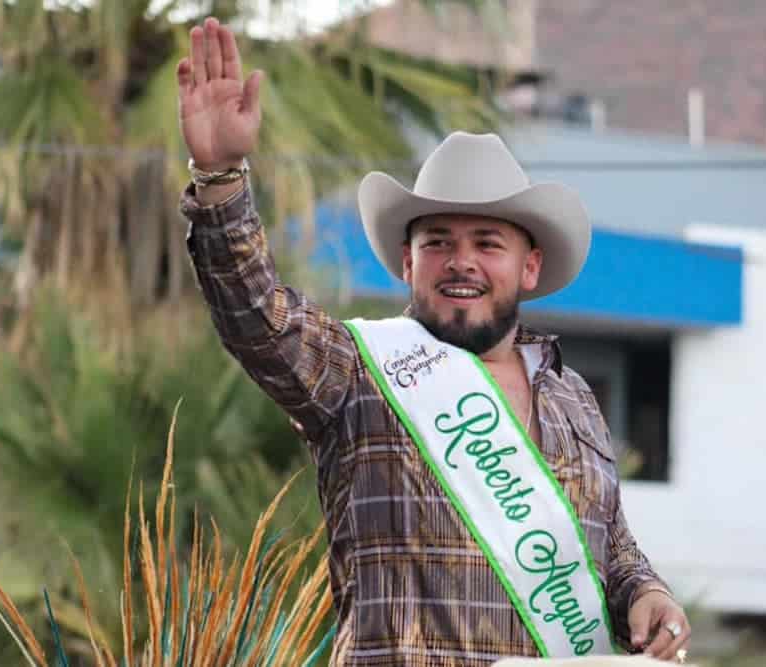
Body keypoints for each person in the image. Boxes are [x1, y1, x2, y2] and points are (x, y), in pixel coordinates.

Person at [176, 16, 690, 666]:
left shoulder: (574, 398)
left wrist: (646, 594)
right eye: (438, 241)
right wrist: (220, 176)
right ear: (407, 262)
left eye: (487, 243)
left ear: (529, 266)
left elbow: (609, 548)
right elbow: (258, 316)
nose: (460, 261)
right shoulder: (359, 374)